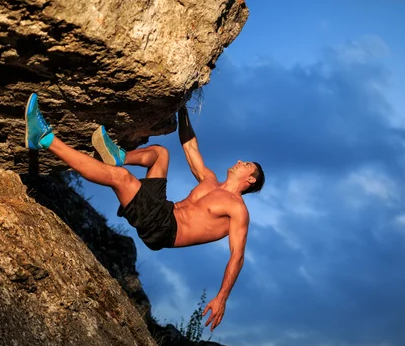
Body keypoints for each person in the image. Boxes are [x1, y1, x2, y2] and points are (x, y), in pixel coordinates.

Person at [24, 93, 265, 331]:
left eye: (247, 165)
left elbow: (237, 256)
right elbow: (190, 146)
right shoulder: (209, 180)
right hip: (163, 208)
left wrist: (222, 297)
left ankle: (44, 138)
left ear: (251, 179)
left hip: (164, 229)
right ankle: (119, 157)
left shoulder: (237, 210)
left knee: (121, 179)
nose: (240, 161)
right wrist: (182, 106)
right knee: (161, 153)